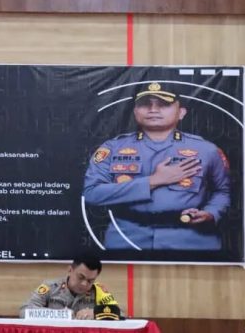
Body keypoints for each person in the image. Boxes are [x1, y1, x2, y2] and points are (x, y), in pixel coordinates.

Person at [83, 82, 231, 250]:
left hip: (192, 240)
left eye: (164, 104)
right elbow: (92, 193)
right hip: (126, 238)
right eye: (145, 104)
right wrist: (153, 181)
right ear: (135, 111)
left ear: (181, 112)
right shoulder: (112, 148)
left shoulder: (207, 150)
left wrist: (211, 213)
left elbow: (223, 191)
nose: (153, 109)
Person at [19, 253, 120, 319]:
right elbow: (24, 311)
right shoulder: (50, 288)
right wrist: (60, 315)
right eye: (80, 277)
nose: (84, 284)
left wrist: (96, 313)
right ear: (70, 270)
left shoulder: (98, 292)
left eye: (90, 281)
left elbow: (119, 314)